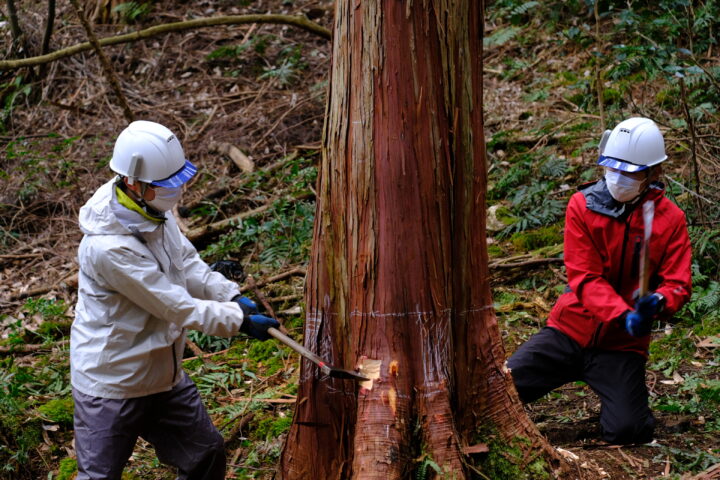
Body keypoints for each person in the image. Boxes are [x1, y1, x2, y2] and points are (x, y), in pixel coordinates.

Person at [70, 120, 280, 479]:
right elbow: (175, 306)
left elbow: (185, 263)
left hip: (162, 376)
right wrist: (238, 321)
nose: (177, 191)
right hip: (112, 381)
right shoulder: (108, 248)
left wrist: (231, 295)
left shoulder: (151, 211)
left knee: (206, 454)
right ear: (133, 183)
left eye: (179, 180)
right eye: (167, 185)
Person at [507, 117, 692, 445]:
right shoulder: (583, 205)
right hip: (568, 330)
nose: (618, 178)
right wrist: (623, 314)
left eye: (630, 171)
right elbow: (584, 276)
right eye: (612, 168)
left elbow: (678, 281)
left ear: (653, 173)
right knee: (498, 388)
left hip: (621, 346)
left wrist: (660, 302)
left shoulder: (671, 220)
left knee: (628, 430)